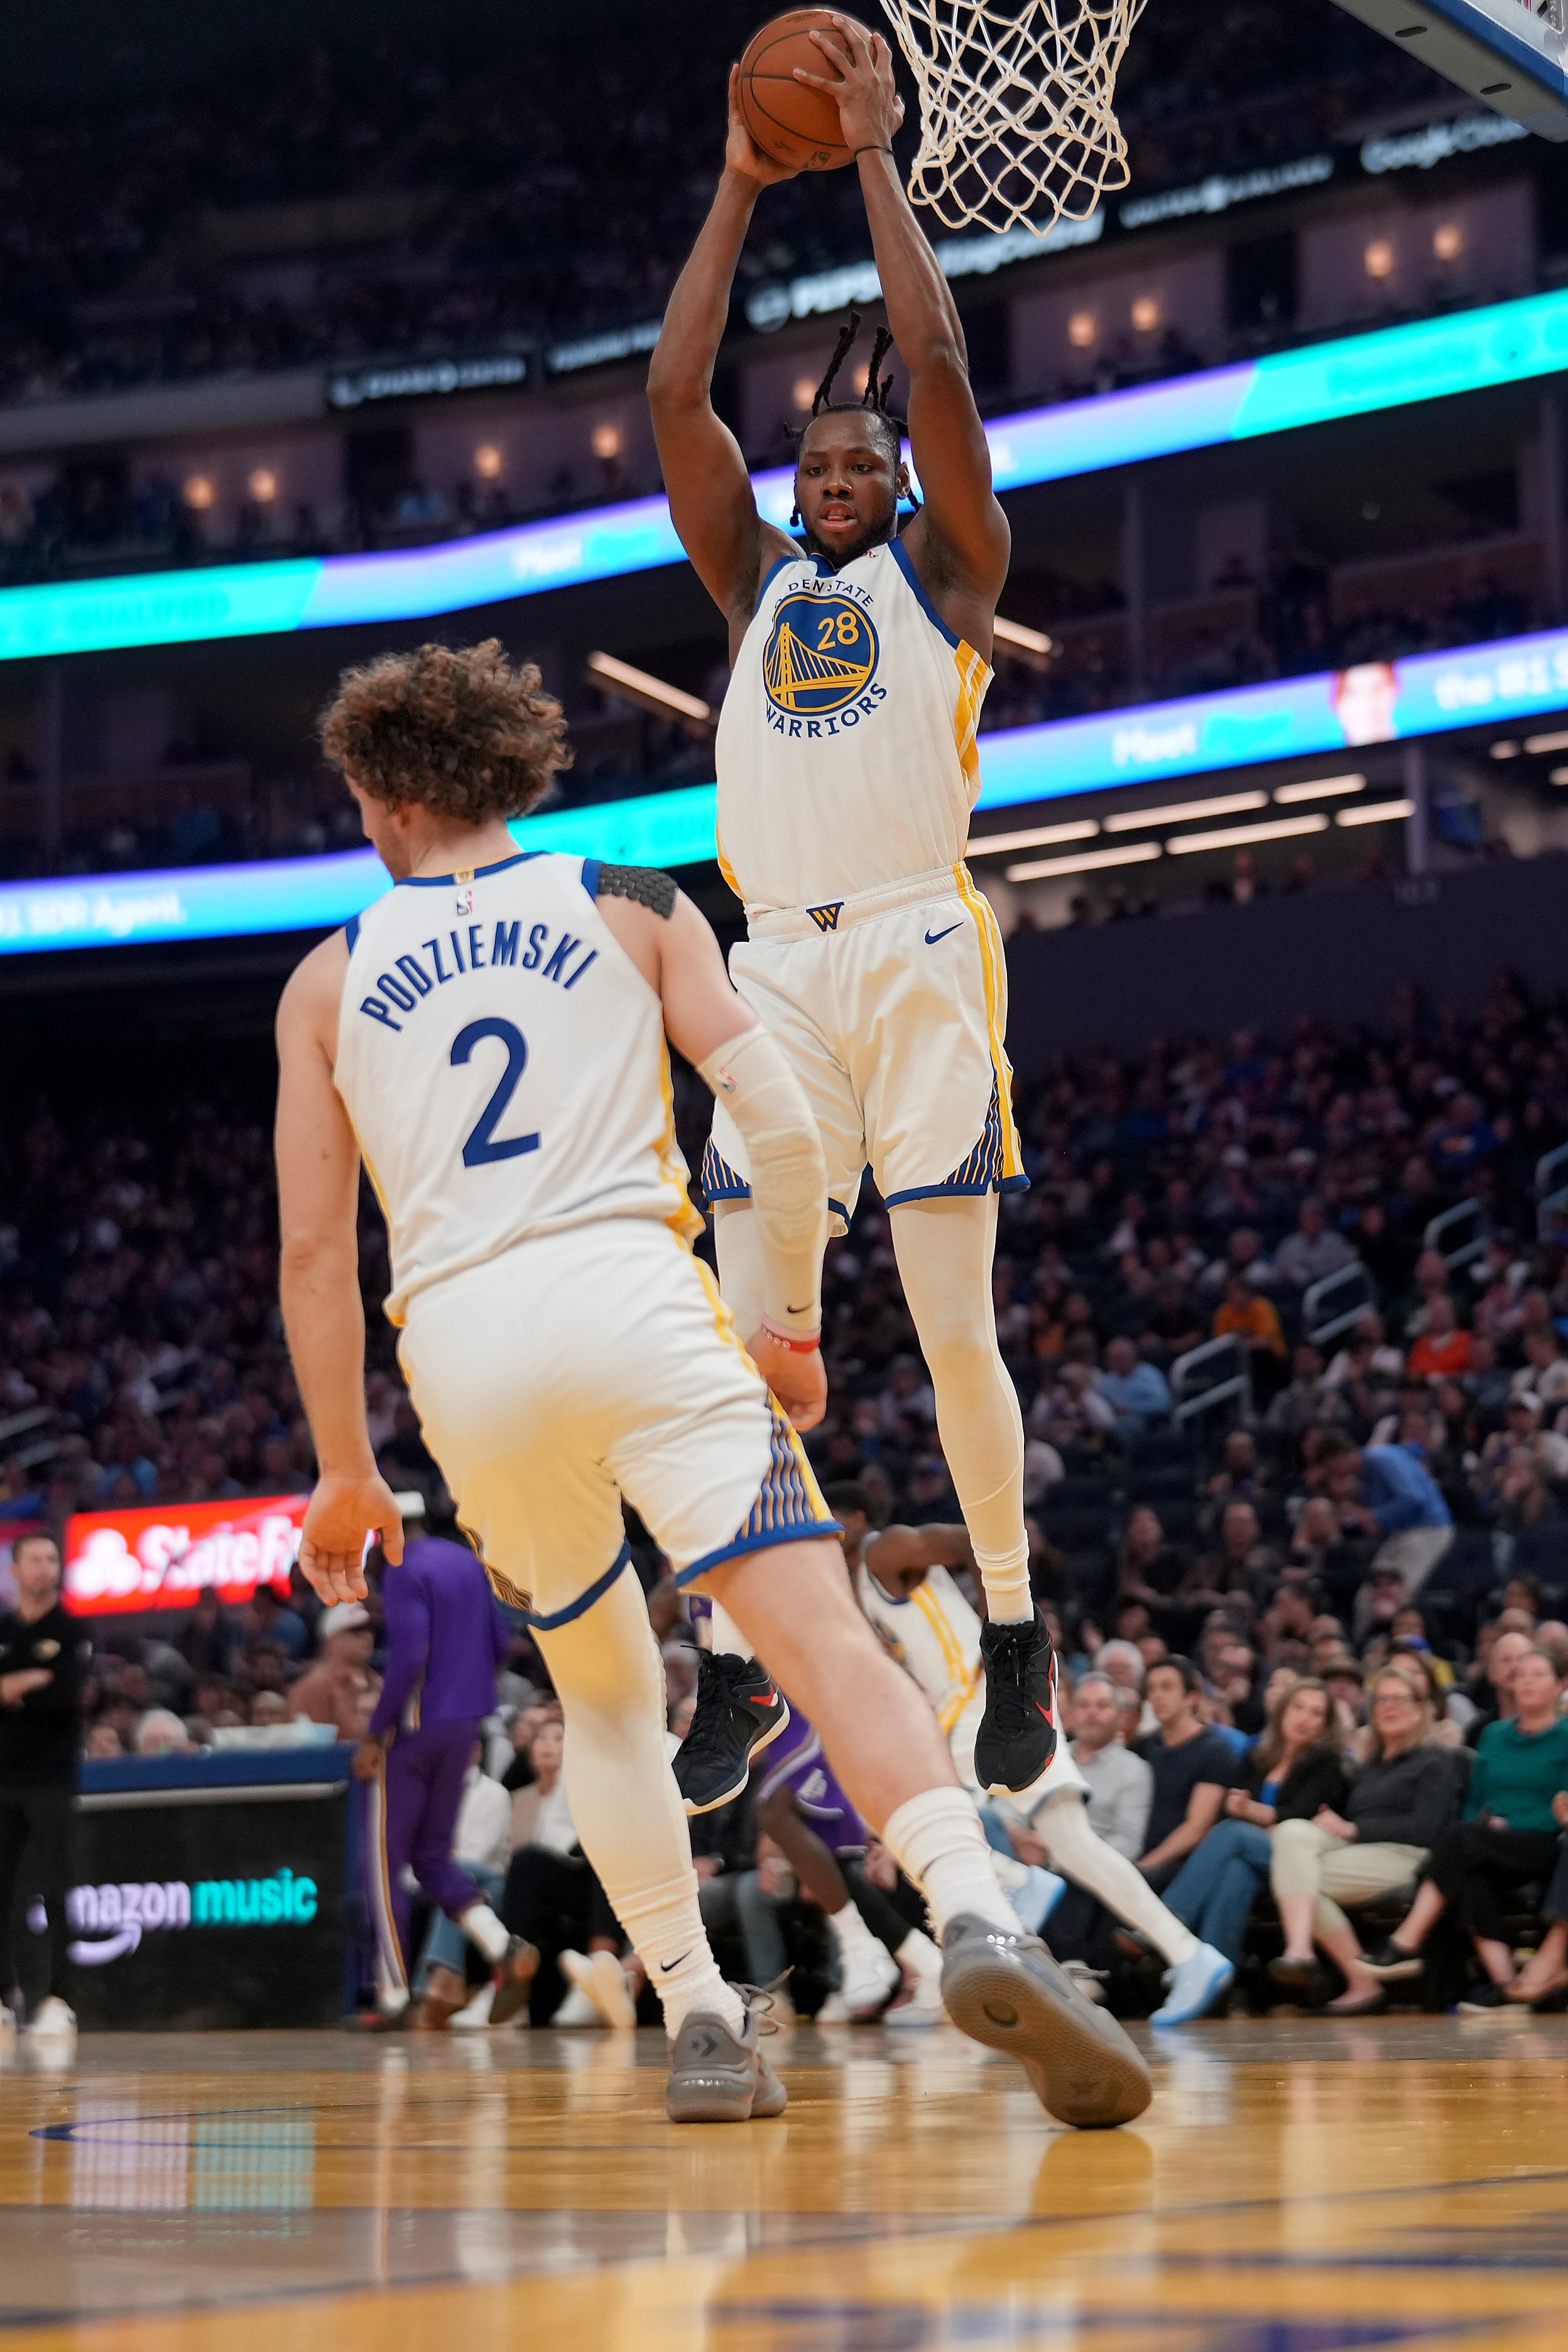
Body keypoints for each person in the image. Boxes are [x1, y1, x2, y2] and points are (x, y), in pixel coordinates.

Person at [276, 638, 1149, 2128]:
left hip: (469, 1359)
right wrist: (789, 1325)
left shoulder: (327, 976)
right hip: (639, 1308)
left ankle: (693, 2014)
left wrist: (347, 1468)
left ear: (385, 792)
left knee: (608, 1697)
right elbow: (784, 1122)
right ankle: (973, 1911)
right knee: (827, 1645)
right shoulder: (631, 898)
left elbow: (312, 1254)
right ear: (507, 768)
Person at [648, 21, 1059, 1803]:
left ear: (893, 483)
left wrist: (876, 154)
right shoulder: (748, 578)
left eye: (850, 464)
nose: (826, 478)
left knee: (952, 1323)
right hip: (774, 968)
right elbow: (673, 401)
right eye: (808, 462)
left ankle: (1016, 1627)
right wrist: (741, 182)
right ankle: (740, 1657)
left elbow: (938, 359)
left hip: (913, 943)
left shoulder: (948, 569)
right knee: (748, 1334)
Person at [838, 1486, 1234, 2023]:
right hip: (966, 1705)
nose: (825, 1532)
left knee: (908, 1815)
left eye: (833, 1518)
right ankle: (1189, 1955)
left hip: (982, 1695)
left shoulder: (885, 1550)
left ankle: (1019, 1893)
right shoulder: (855, 1587)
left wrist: (998, 1637)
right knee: (1070, 1844)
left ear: (859, 1517)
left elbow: (978, 1541)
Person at [357, 1496, 531, 2030]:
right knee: (432, 1856)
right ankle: (501, 1945)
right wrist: (468, 1692)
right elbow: (501, 1642)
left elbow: (410, 1655)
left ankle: (392, 1993)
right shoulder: (464, 1561)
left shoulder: (402, 1567)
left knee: (384, 1863)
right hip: (465, 1725)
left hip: (416, 1728)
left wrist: (375, 1731)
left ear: (383, 1531)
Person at [1359, 1648, 1568, 2007]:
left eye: (1538, 1675)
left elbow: (1563, 1808)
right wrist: (1483, 1825)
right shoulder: (1493, 1734)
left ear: (1561, 1685)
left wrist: (1511, 1824)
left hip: (1544, 1842)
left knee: (1459, 1839)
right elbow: (1476, 1799)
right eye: (1521, 1675)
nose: (1527, 1682)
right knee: (1469, 1872)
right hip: (1489, 1841)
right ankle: (1507, 1986)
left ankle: (1407, 1940)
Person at [1268, 1672, 1458, 2013]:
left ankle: (1350, 1976)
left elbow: (1426, 1830)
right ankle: (1306, 1952)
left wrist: (1354, 1830)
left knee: (1299, 1881)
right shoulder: (1371, 1765)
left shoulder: (1435, 1760)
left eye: (1399, 1699)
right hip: (1362, 1850)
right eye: (1382, 1700)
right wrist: (1331, 1823)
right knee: (1292, 1833)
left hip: (1410, 1856)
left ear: (1420, 1711)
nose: (1389, 1707)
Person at [1160, 1679, 1348, 1966]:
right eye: (1298, 1708)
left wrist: (1250, 1811)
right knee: (1237, 1873)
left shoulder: (1329, 1766)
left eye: (1316, 1713)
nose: (1305, 1719)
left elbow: (1302, 1814)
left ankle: (1166, 1923)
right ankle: (1213, 1973)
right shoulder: (1258, 1755)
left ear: (1325, 1725)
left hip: (1297, 1862)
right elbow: (1230, 1805)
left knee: (1233, 1834)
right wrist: (1237, 1808)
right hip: (1255, 1856)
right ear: (1283, 1712)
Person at [0, 1532, 89, 2045]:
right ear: (15, 1570)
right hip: (3, 1778)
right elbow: (46, 1690)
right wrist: (33, 1679)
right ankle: (4, 1997)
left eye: (51, 1558)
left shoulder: (71, 1629)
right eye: (33, 1559)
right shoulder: (3, 1629)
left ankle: (59, 1998)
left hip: (52, 1778)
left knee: (55, 1887)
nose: (43, 1567)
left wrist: (12, 1689)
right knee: (2, 1890)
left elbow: (65, 1697)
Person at [1317, 1435, 1454, 1597]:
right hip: (1401, 1535)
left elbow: (1415, 1500)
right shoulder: (1362, 1479)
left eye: (1331, 1468)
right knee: (1366, 1599)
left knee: (1391, 1597)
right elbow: (1378, 1521)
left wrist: (1371, 1515)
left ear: (1340, 1457)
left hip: (1428, 1529)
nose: (1333, 1474)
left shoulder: (1381, 1459)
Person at [288, 1601, 381, 1740]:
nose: (367, 1637)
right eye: (356, 1631)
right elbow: (309, 1744)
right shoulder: (314, 1689)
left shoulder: (378, 1683)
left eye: (370, 1630)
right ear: (332, 1640)